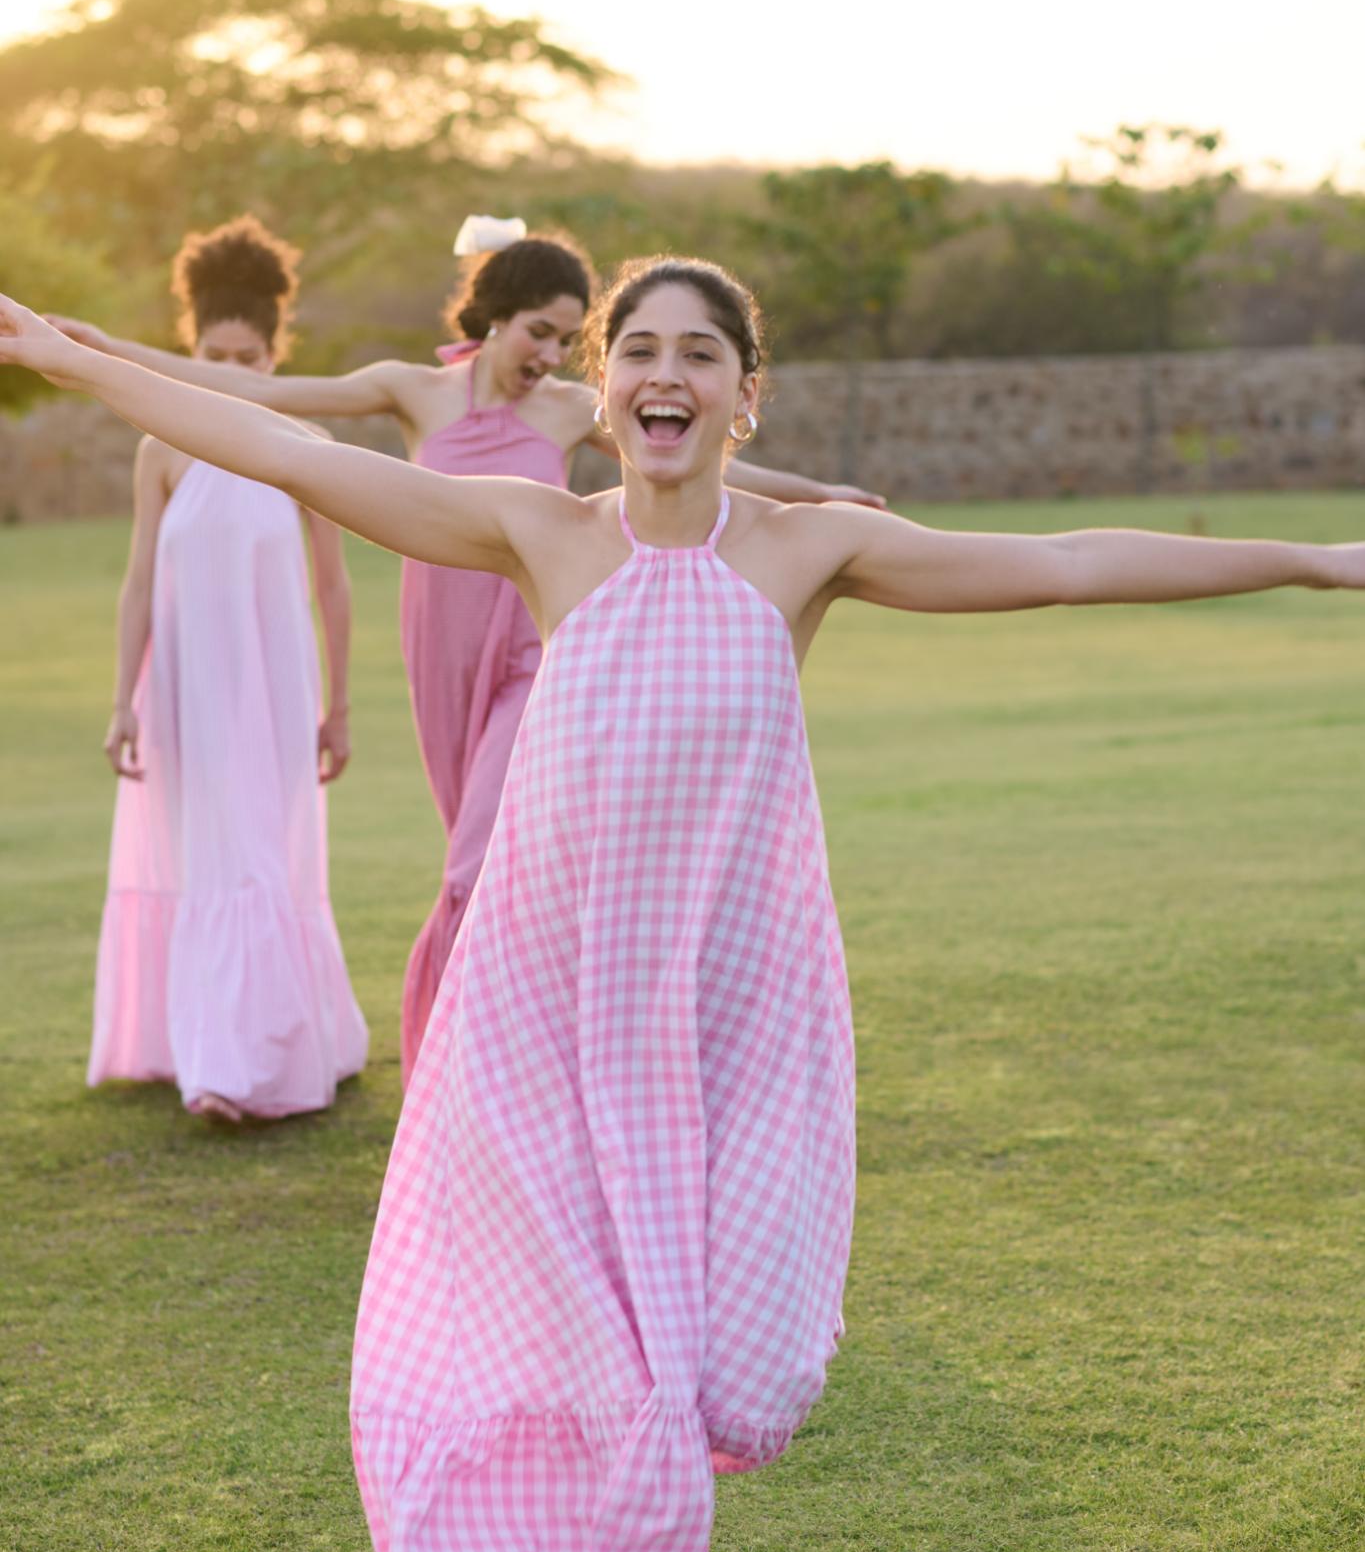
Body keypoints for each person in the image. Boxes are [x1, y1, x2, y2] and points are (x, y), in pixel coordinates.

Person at [8, 256, 1356, 1552]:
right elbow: (281, 447)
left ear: (740, 393)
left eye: (699, 353)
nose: (667, 375)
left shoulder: (802, 554)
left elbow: (1068, 559)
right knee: (566, 1359)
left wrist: (1319, 559)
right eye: (637, 349)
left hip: (731, 1026)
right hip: (538, 1021)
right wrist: (72, 358)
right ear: (602, 389)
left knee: (735, 1369)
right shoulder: (539, 533)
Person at [55, 220, 886, 1081]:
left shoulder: (572, 407)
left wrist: (818, 495)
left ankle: (450, 1065)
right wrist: (103, 351)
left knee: (471, 863)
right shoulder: (412, 391)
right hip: (438, 640)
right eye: (541, 332)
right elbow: (273, 401)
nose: (553, 352)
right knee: (480, 852)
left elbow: (716, 466)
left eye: (571, 338)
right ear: (495, 319)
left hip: (533, 643)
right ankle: (521, 1056)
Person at [85, 218, 367, 1123]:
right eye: (218, 352)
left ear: (278, 352)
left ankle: (243, 1067)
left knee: (257, 858)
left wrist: (341, 707)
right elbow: (138, 584)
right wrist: (123, 702)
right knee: (206, 859)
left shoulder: (303, 449)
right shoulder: (159, 447)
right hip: (182, 700)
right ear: (192, 347)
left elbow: (334, 587)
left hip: (274, 697)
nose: (236, 367)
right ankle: (198, 1045)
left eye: (252, 354)